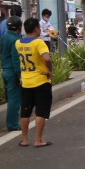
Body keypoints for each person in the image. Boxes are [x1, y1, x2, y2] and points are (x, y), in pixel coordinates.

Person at [15, 17, 54, 147]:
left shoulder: (18, 43)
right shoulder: (39, 43)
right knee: (41, 111)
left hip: (25, 81)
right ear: (37, 29)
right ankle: (38, 139)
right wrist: (50, 71)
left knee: (25, 111)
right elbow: (47, 59)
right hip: (41, 81)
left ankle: (25, 139)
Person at [0, 16, 22, 132]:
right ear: (19, 28)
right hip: (12, 72)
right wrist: (20, 75)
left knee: (10, 98)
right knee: (14, 99)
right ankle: (12, 124)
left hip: (5, 70)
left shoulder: (3, 38)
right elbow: (16, 60)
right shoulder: (15, 40)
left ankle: (12, 122)